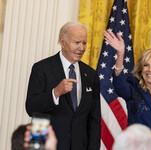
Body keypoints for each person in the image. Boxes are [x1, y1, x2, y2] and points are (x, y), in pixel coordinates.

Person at [26, 21, 101, 150]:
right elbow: (31, 108)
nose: (81, 48)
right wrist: (55, 93)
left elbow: (94, 119)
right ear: (63, 42)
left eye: (84, 43)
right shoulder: (42, 68)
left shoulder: (91, 75)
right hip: (47, 144)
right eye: (77, 42)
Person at [104, 30, 151, 150]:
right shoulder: (134, 89)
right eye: (146, 65)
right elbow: (119, 86)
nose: (150, 69)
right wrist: (120, 54)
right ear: (141, 69)